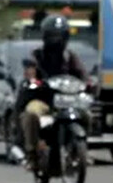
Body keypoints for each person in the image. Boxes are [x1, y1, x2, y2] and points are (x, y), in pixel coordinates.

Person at [16, 15, 90, 167]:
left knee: (87, 114)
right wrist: (35, 82)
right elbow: (31, 73)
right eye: (53, 36)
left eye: (60, 36)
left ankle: (80, 149)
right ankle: (32, 153)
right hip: (43, 101)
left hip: (66, 101)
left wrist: (89, 83)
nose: (57, 40)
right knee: (31, 114)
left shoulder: (70, 56)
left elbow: (82, 74)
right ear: (45, 36)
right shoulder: (36, 55)